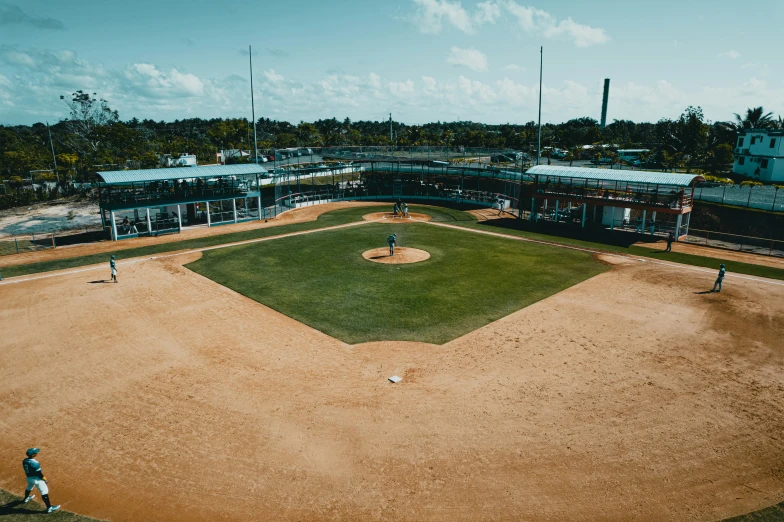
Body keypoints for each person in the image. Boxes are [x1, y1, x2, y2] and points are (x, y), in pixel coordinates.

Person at [22, 448, 60, 514]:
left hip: (29, 478)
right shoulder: (35, 463)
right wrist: (44, 479)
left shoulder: (25, 460)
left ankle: (26, 498)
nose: (36, 453)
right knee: (44, 492)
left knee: (29, 487)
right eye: (35, 453)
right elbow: (38, 473)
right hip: (37, 479)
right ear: (33, 455)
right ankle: (49, 508)